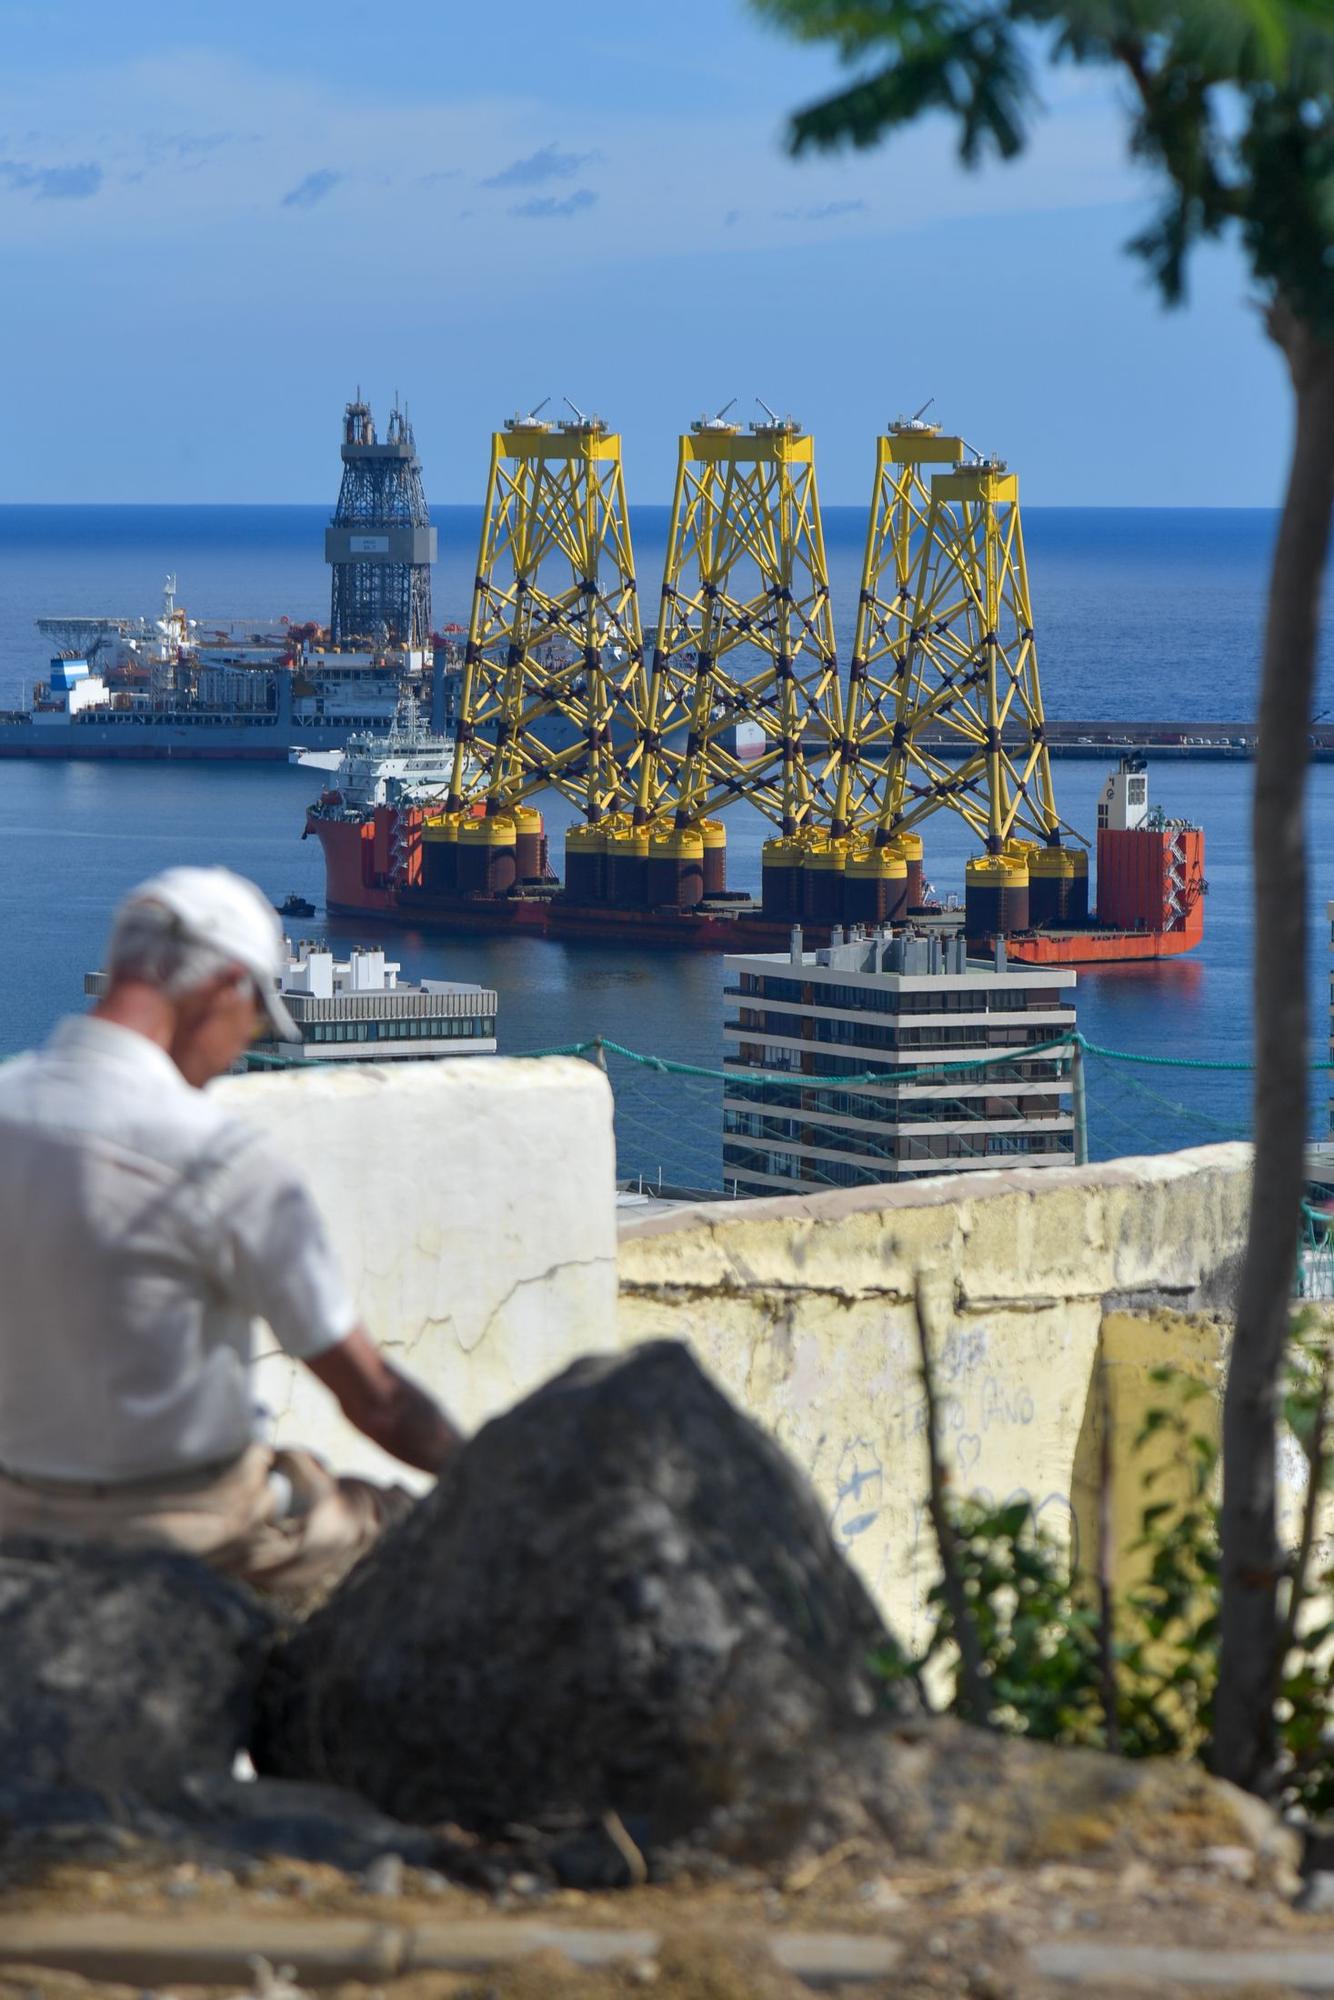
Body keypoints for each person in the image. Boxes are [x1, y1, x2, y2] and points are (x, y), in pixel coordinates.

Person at [0, 866, 461, 1602]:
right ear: (222, 987)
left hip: (15, 1509)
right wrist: (485, 1470)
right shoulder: (221, 1159)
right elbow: (376, 1401)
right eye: (254, 1017)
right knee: (397, 1524)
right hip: (186, 1523)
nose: (242, 1044)